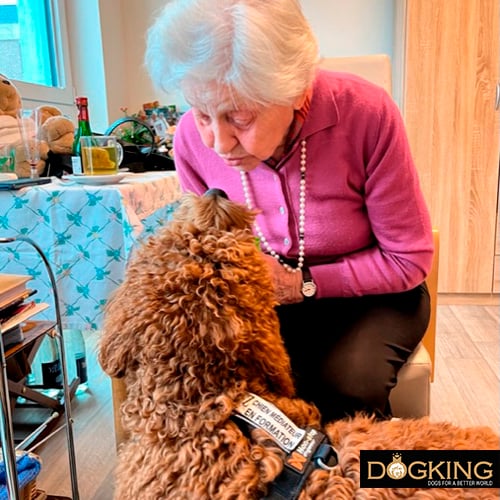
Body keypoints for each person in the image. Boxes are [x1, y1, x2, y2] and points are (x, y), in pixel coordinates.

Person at [144, 0, 434, 423]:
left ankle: (370, 477)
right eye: (203, 113)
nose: (219, 143)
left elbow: (408, 258)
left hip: (379, 294)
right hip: (266, 295)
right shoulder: (192, 140)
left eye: (239, 118)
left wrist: (301, 285)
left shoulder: (367, 115)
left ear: (294, 89)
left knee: (344, 389)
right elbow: (208, 249)